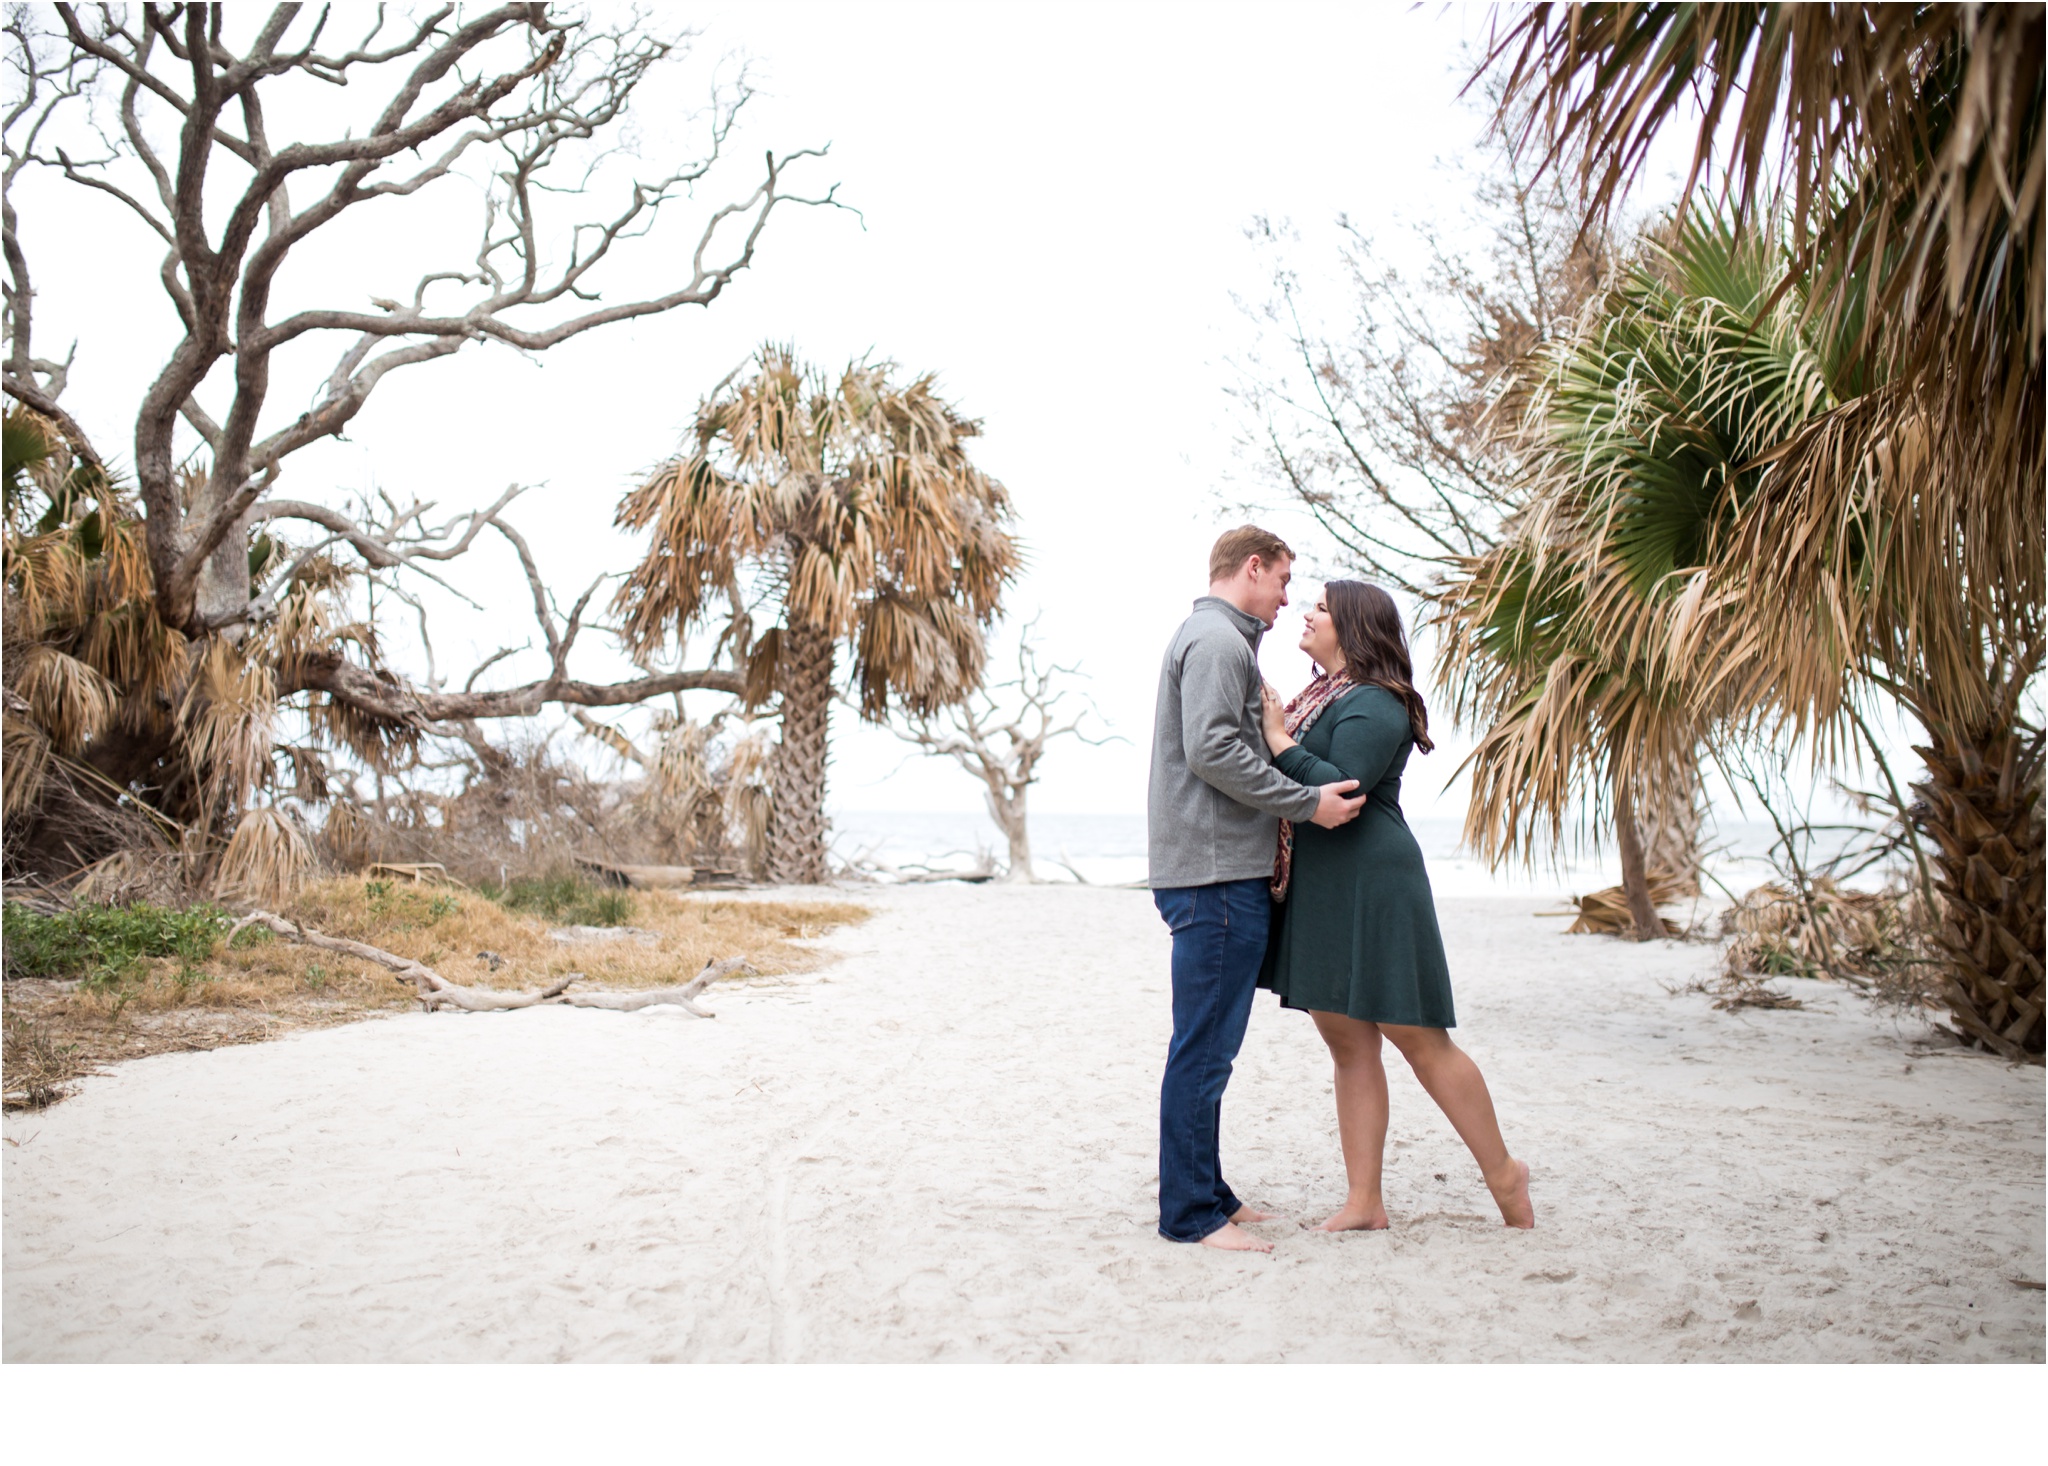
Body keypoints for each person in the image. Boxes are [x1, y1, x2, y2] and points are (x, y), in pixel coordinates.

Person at [1258, 580, 1535, 1231]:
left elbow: (1341, 789)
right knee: (1346, 1043)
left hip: (1374, 880)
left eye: (1321, 608)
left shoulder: (1379, 702)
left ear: (1352, 627)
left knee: (1418, 1038)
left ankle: (1503, 1173)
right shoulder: (1319, 696)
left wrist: (1275, 739)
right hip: (1322, 883)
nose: (1307, 613)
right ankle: (1365, 1202)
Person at [1147, 526, 1368, 1252]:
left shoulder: (1213, 639)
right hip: (1214, 877)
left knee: (1210, 1049)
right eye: (1281, 581)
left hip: (1213, 872)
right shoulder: (1215, 642)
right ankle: (1190, 1215)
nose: (1285, 600)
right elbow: (1211, 750)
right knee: (1204, 1051)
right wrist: (1306, 804)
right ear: (1251, 568)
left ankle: (1209, 1192)